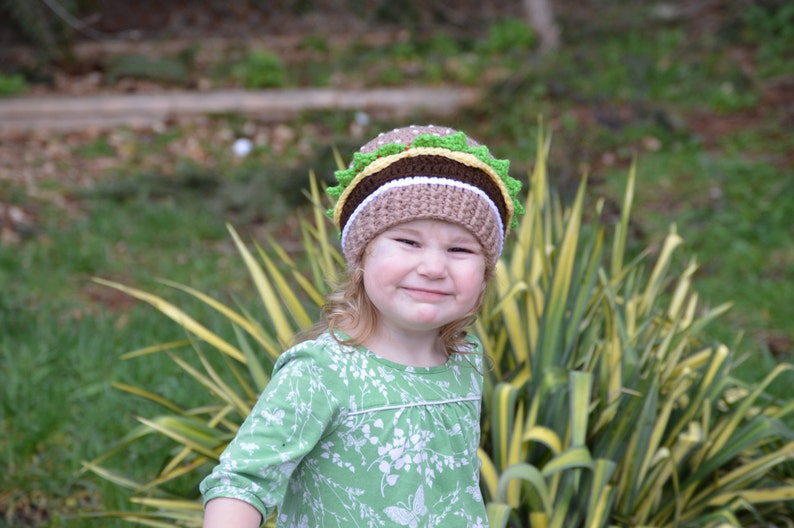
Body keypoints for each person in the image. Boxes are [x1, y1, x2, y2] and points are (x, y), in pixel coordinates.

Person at [199, 124, 523, 528]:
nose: (434, 268)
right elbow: (242, 482)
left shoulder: (464, 361)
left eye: (460, 249)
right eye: (408, 242)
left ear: (486, 274)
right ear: (362, 258)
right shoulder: (322, 372)